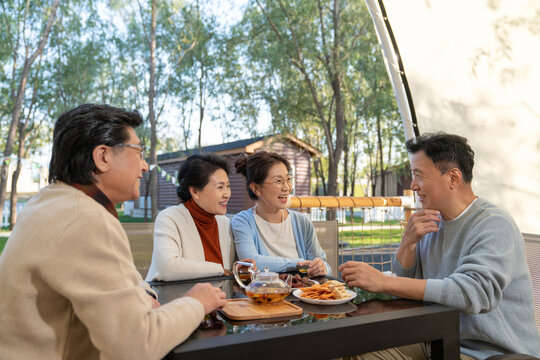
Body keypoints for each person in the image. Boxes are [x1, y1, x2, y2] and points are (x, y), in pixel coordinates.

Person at [0, 104, 227, 359]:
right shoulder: (83, 218)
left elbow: (122, 281)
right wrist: (197, 302)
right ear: (103, 157)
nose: (144, 166)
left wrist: (141, 295)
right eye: (139, 152)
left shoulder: (50, 203)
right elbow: (138, 345)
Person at [339, 133, 540, 359]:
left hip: (489, 352)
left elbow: (472, 293)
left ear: (453, 178)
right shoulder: (431, 221)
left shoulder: (494, 224)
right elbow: (407, 294)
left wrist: (384, 282)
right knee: (354, 348)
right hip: (438, 339)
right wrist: (408, 242)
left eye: (419, 175)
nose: (413, 185)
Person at [146, 154, 254, 281]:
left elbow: (229, 272)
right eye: (220, 187)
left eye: (228, 186)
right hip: (172, 299)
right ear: (195, 192)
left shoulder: (224, 223)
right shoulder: (169, 218)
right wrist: (220, 270)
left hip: (217, 299)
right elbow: (167, 267)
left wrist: (239, 270)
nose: (227, 194)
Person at [231, 151, 330, 276]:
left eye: (288, 179)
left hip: (301, 294)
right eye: (278, 181)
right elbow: (251, 262)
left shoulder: (302, 222)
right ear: (256, 188)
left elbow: (323, 264)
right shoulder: (242, 221)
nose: (287, 187)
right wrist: (299, 263)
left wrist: (322, 268)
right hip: (261, 294)